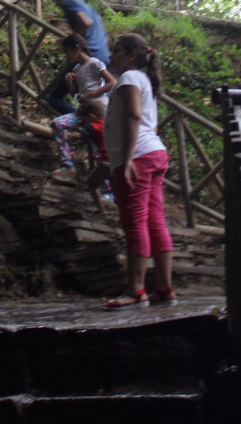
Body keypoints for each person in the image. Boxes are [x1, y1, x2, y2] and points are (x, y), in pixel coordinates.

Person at [101, 33, 175, 307]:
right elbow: (150, 125)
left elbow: (133, 116)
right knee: (155, 221)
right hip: (154, 153)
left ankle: (136, 290)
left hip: (138, 158)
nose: (111, 56)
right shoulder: (143, 80)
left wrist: (128, 158)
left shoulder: (130, 78)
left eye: (117, 50)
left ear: (132, 55)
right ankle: (165, 288)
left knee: (135, 222)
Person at [43, 0, 110, 116]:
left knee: (54, 97)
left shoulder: (68, 3)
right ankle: (98, 127)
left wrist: (74, 38)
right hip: (104, 57)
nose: (57, 3)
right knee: (100, 104)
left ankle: (81, 120)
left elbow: (86, 22)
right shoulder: (88, 7)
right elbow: (106, 37)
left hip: (86, 57)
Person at [51, 34, 115, 169]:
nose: (66, 56)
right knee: (57, 124)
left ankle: (105, 184)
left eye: (67, 52)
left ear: (76, 48)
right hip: (84, 113)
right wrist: (70, 85)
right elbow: (78, 96)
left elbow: (112, 83)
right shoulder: (76, 69)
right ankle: (67, 164)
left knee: (100, 150)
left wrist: (91, 94)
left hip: (100, 115)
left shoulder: (95, 63)